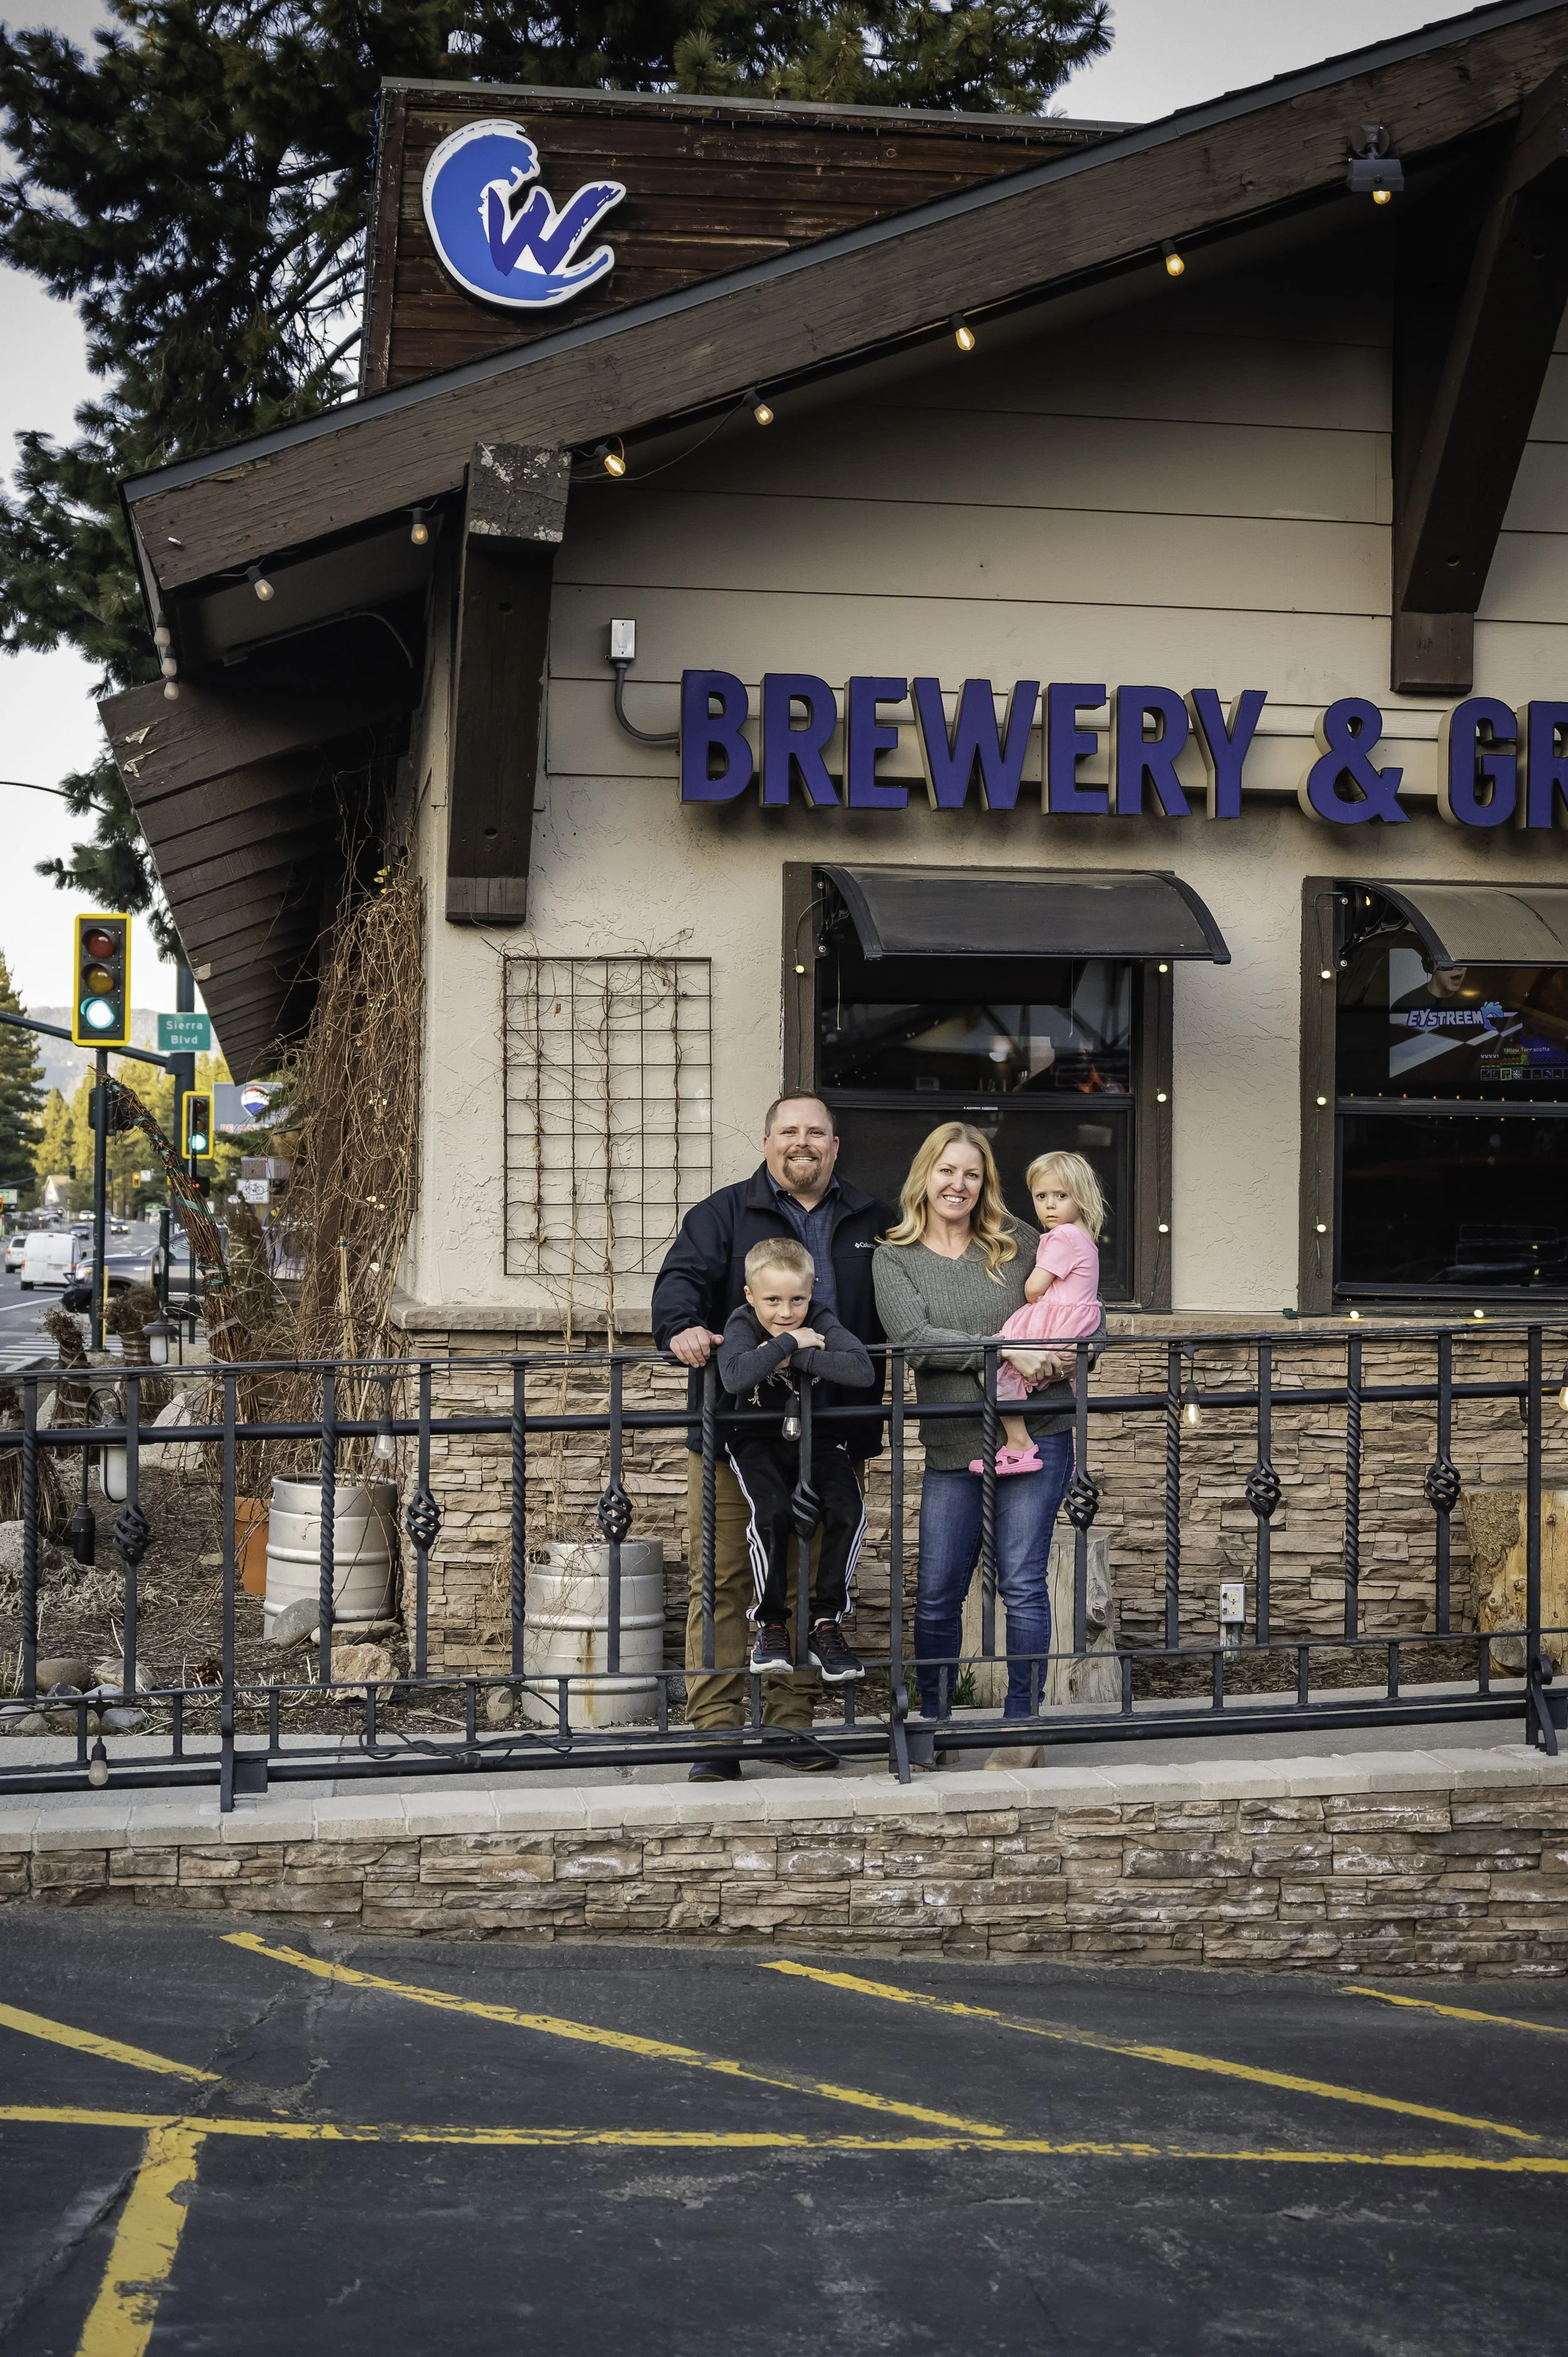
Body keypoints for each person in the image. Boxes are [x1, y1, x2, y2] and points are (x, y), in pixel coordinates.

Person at [652, 1093, 893, 1779]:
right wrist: (680, 1328)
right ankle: (716, 1737)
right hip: (739, 1433)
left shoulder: (872, 1220)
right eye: (789, 1130)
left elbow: (916, 1287)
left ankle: (789, 1727)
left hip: (831, 1434)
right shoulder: (723, 1213)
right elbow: (680, 1283)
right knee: (724, 1579)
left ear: (835, 1145)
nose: (802, 1142)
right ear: (766, 1142)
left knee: (803, 1578)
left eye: (816, 1131)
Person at [873, 1121, 1099, 1724]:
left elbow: (1082, 1310)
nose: (959, 1184)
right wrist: (1002, 1351)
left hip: (1040, 1435)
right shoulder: (895, 1257)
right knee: (938, 1594)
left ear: (986, 1182)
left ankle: (1022, 1723)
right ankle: (934, 1722)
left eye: (972, 1174)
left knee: (1023, 1584)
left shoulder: (1021, 1240)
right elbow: (915, 1341)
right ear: (926, 1175)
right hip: (954, 1447)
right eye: (947, 1170)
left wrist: (1069, 1352)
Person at [716, 1237, 874, 1682]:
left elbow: (861, 1369)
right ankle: (770, 1624)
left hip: (819, 1439)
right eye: (772, 1301)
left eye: (797, 1300)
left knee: (849, 1510)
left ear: (811, 1292)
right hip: (755, 1439)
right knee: (772, 1513)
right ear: (751, 1296)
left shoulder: (821, 1318)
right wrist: (788, 1342)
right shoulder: (743, 1320)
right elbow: (735, 1375)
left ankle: (825, 1622)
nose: (785, 1311)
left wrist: (795, 1354)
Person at [982, 1150, 1104, 1474]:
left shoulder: (1061, 1236)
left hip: (1053, 1320)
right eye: (1041, 1196)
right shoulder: (1086, 1238)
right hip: (1077, 1324)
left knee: (997, 1367)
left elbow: (1034, 1288)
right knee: (1050, 1380)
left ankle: (1019, 1443)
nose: (1049, 1205)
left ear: (1081, 1196)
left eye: (1061, 1195)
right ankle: (1066, 1455)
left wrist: (1029, 1288)